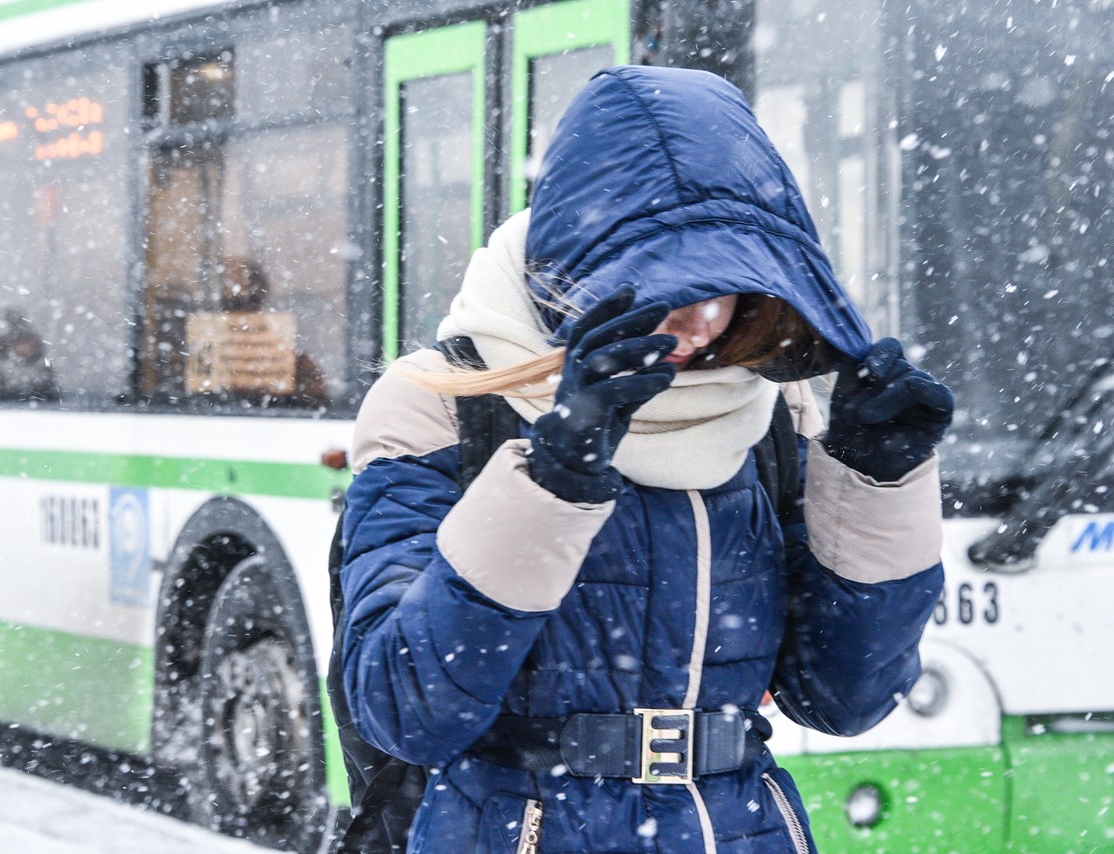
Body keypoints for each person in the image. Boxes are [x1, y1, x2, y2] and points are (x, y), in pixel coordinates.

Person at [339, 66, 952, 853]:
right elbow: (404, 710)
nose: (699, 320)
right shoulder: (443, 402)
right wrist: (551, 482)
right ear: (587, 263)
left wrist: (877, 482)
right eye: (673, 278)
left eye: (728, 283)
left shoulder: (768, 409)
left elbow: (843, 698)